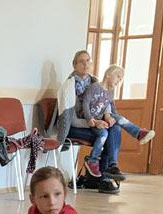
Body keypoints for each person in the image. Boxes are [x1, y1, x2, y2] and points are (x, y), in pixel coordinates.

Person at [51, 49, 121, 193]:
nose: (86, 64)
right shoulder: (68, 87)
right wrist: (94, 122)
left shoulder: (96, 83)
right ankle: (103, 179)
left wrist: (108, 117)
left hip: (94, 124)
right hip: (74, 127)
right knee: (106, 135)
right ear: (74, 65)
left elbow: (106, 105)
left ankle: (109, 169)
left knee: (114, 128)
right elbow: (71, 121)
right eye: (81, 62)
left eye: (88, 60)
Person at [77, 65, 155, 177]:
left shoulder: (110, 92)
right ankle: (138, 133)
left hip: (101, 119)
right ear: (108, 74)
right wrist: (90, 119)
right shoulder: (94, 87)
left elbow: (111, 107)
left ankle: (111, 164)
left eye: (121, 78)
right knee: (107, 131)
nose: (119, 80)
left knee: (117, 121)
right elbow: (85, 103)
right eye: (118, 76)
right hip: (91, 120)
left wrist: (112, 118)